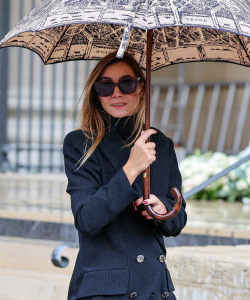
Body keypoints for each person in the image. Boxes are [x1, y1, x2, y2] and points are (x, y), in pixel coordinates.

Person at [63, 51, 187, 300]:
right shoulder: (81, 143)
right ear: (97, 93)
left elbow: (178, 219)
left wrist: (163, 211)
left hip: (155, 288)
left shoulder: (160, 144)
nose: (116, 93)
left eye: (126, 83)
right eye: (105, 86)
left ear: (141, 87)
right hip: (106, 291)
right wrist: (131, 168)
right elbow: (87, 219)